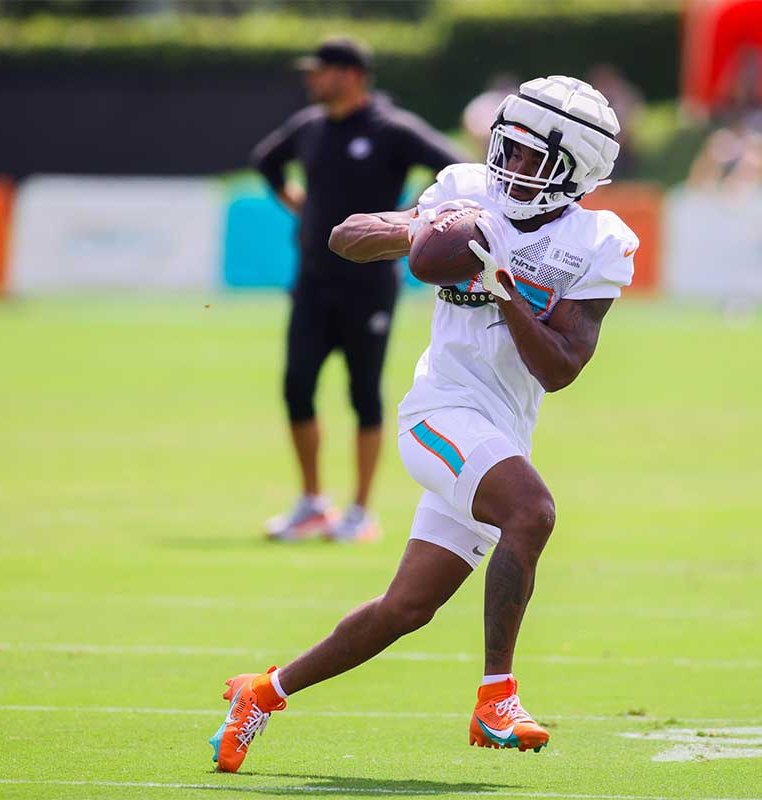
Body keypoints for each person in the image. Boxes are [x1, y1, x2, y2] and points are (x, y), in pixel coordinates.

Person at [209, 75, 637, 772]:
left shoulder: (598, 241)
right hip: (438, 413)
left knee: (405, 609)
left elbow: (560, 367)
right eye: (512, 149)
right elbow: (349, 236)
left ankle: (262, 692)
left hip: (500, 430)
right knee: (532, 513)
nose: (514, 168)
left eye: (537, 160)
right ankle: (497, 696)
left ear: (578, 172)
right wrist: (413, 230)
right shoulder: (465, 194)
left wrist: (501, 286)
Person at [251, 36, 467, 542]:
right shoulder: (309, 127)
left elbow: (453, 167)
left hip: (369, 286)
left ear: (351, 75)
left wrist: (412, 219)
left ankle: (360, 512)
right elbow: (267, 161)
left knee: (363, 392)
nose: (311, 80)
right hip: (311, 281)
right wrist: (299, 205)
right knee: (297, 386)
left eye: (320, 70)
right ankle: (311, 503)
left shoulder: (390, 129)